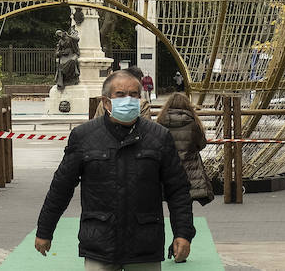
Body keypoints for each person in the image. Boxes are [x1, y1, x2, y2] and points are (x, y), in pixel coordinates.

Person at [35, 70, 195, 269]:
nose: (128, 99)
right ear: (106, 101)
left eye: (134, 94)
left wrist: (183, 232)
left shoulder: (159, 137)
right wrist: (45, 230)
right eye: (120, 94)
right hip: (100, 242)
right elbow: (61, 187)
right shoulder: (84, 137)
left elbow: (178, 189)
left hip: (144, 243)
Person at [156, 92, 213, 206]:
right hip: (189, 169)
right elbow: (201, 144)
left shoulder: (160, 122)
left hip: (167, 168)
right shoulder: (193, 124)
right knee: (185, 206)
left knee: (170, 201)